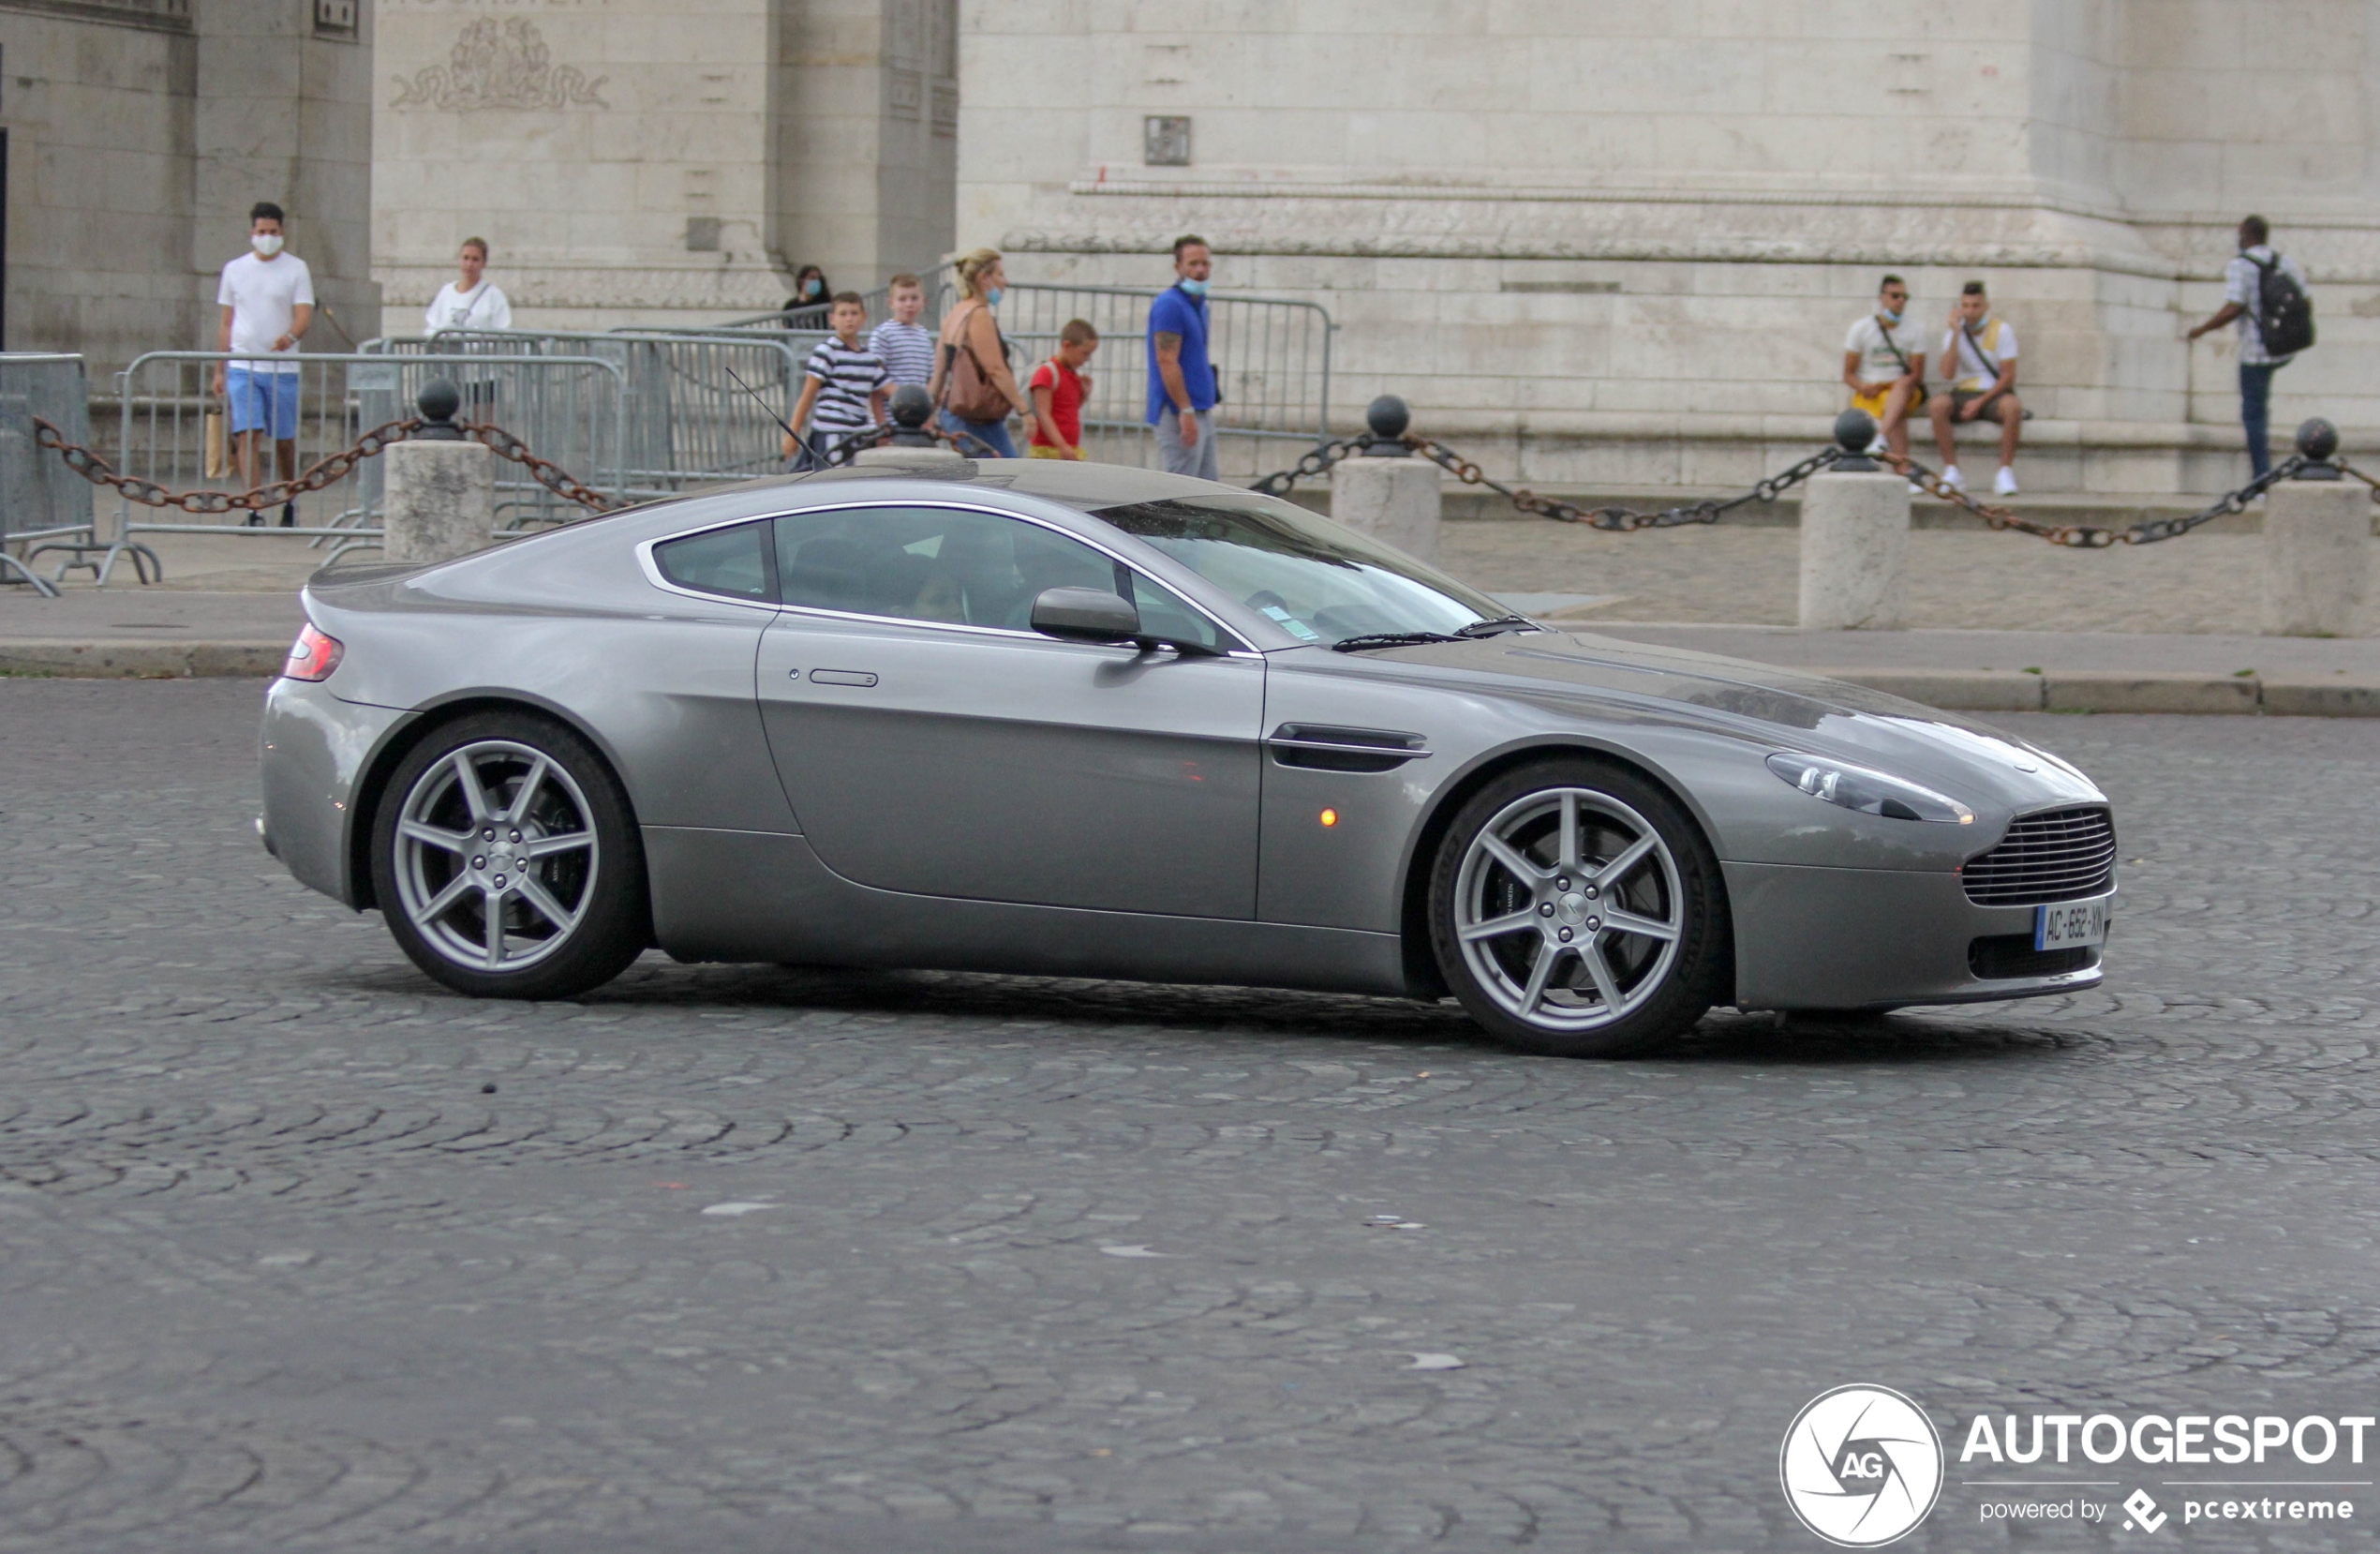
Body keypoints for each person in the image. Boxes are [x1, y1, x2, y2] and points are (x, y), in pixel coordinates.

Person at [213, 201, 313, 527]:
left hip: (281, 367)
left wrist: (290, 336)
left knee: (283, 440)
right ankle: (253, 507)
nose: (267, 237)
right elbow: (226, 321)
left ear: (281, 232)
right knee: (248, 434)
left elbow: (303, 313)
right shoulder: (234, 269)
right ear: (252, 233)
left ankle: (289, 498)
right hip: (244, 363)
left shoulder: (296, 269)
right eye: (261, 232)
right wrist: (220, 367)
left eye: (273, 232)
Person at [2188, 216, 2312, 480]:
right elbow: (2305, 299)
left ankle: (2261, 477)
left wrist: (2201, 329)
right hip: (2282, 349)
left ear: (2245, 235)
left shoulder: (2240, 266)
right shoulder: (2284, 262)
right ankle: (2263, 473)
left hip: (2256, 352)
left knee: (2253, 415)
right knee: (2260, 409)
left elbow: (2234, 306)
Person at [929, 248, 1029, 457]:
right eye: (1000, 274)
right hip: (976, 416)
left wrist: (928, 410)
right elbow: (995, 368)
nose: (1005, 282)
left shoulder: (955, 313)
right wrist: (1024, 411)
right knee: (1007, 474)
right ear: (984, 279)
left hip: (955, 413)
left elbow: (939, 370)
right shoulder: (978, 315)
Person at [1927, 280, 2024, 495]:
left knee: (2013, 407)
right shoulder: (1955, 332)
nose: (1970, 312)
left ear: (1985, 306)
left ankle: (2005, 471)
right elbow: (1947, 373)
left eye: (1975, 306)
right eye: (1966, 306)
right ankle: (1952, 470)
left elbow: (2008, 375)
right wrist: (1954, 334)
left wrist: (1980, 402)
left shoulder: (2001, 330)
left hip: (1992, 392)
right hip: (1964, 391)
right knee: (1937, 406)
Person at [781, 291, 891, 470]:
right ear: (832, 319)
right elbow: (808, 395)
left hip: (857, 435)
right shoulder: (826, 352)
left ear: (864, 317)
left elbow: (887, 390)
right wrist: (792, 434)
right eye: (843, 314)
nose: (849, 319)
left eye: (854, 313)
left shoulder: (869, 358)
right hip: (830, 432)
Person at [1148, 234, 1219, 480]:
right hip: (1179, 411)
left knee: (1207, 488)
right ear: (1178, 267)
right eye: (1193, 264)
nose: (1200, 270)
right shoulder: (1171, 305)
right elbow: (1166, 359)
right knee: (1183, 489)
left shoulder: (1197, 304)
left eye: (1205, 263)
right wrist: (1185, 411)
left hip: (1200, 409)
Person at [1840, 274, 1925, 463]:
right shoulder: (1861, 328)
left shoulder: (1915, 329)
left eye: (1904, 297)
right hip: (1871, 393)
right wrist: (1863, 387)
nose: (1900, 301)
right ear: (1882, 298)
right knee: (1895, 410)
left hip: (1903, 390)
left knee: (1900, 390)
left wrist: (1891, 385)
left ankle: (1880, 436)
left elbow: (1917, 375)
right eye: (1895, 296)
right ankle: (1904, 468)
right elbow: (1848, 374)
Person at [1028, 320, 1099, 460]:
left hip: (1068, 448)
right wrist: (1061, 445)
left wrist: (1084, 394)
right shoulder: (1047, 373)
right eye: (1085, 353)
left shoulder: (1072, 375)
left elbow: (1068, 410)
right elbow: (1043, 414)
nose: (1087, 359)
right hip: (1048, 450)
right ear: (1067, 346)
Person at [422, 237, 512, 333]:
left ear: (484, 263)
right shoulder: (446, 292)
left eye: (475, 259)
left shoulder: (494, 295)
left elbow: (502, 331)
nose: (469, 264)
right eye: (465, 258)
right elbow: (432, 327)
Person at [868, 272, 935, 388]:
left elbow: (931, 375)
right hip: (894, 404)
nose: (909, 304)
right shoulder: (883, 334)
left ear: (924, 301)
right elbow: (875, 376)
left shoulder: (924, 335)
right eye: (902, 299)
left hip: (921, 403)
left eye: (914, 298)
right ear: (891, 303)